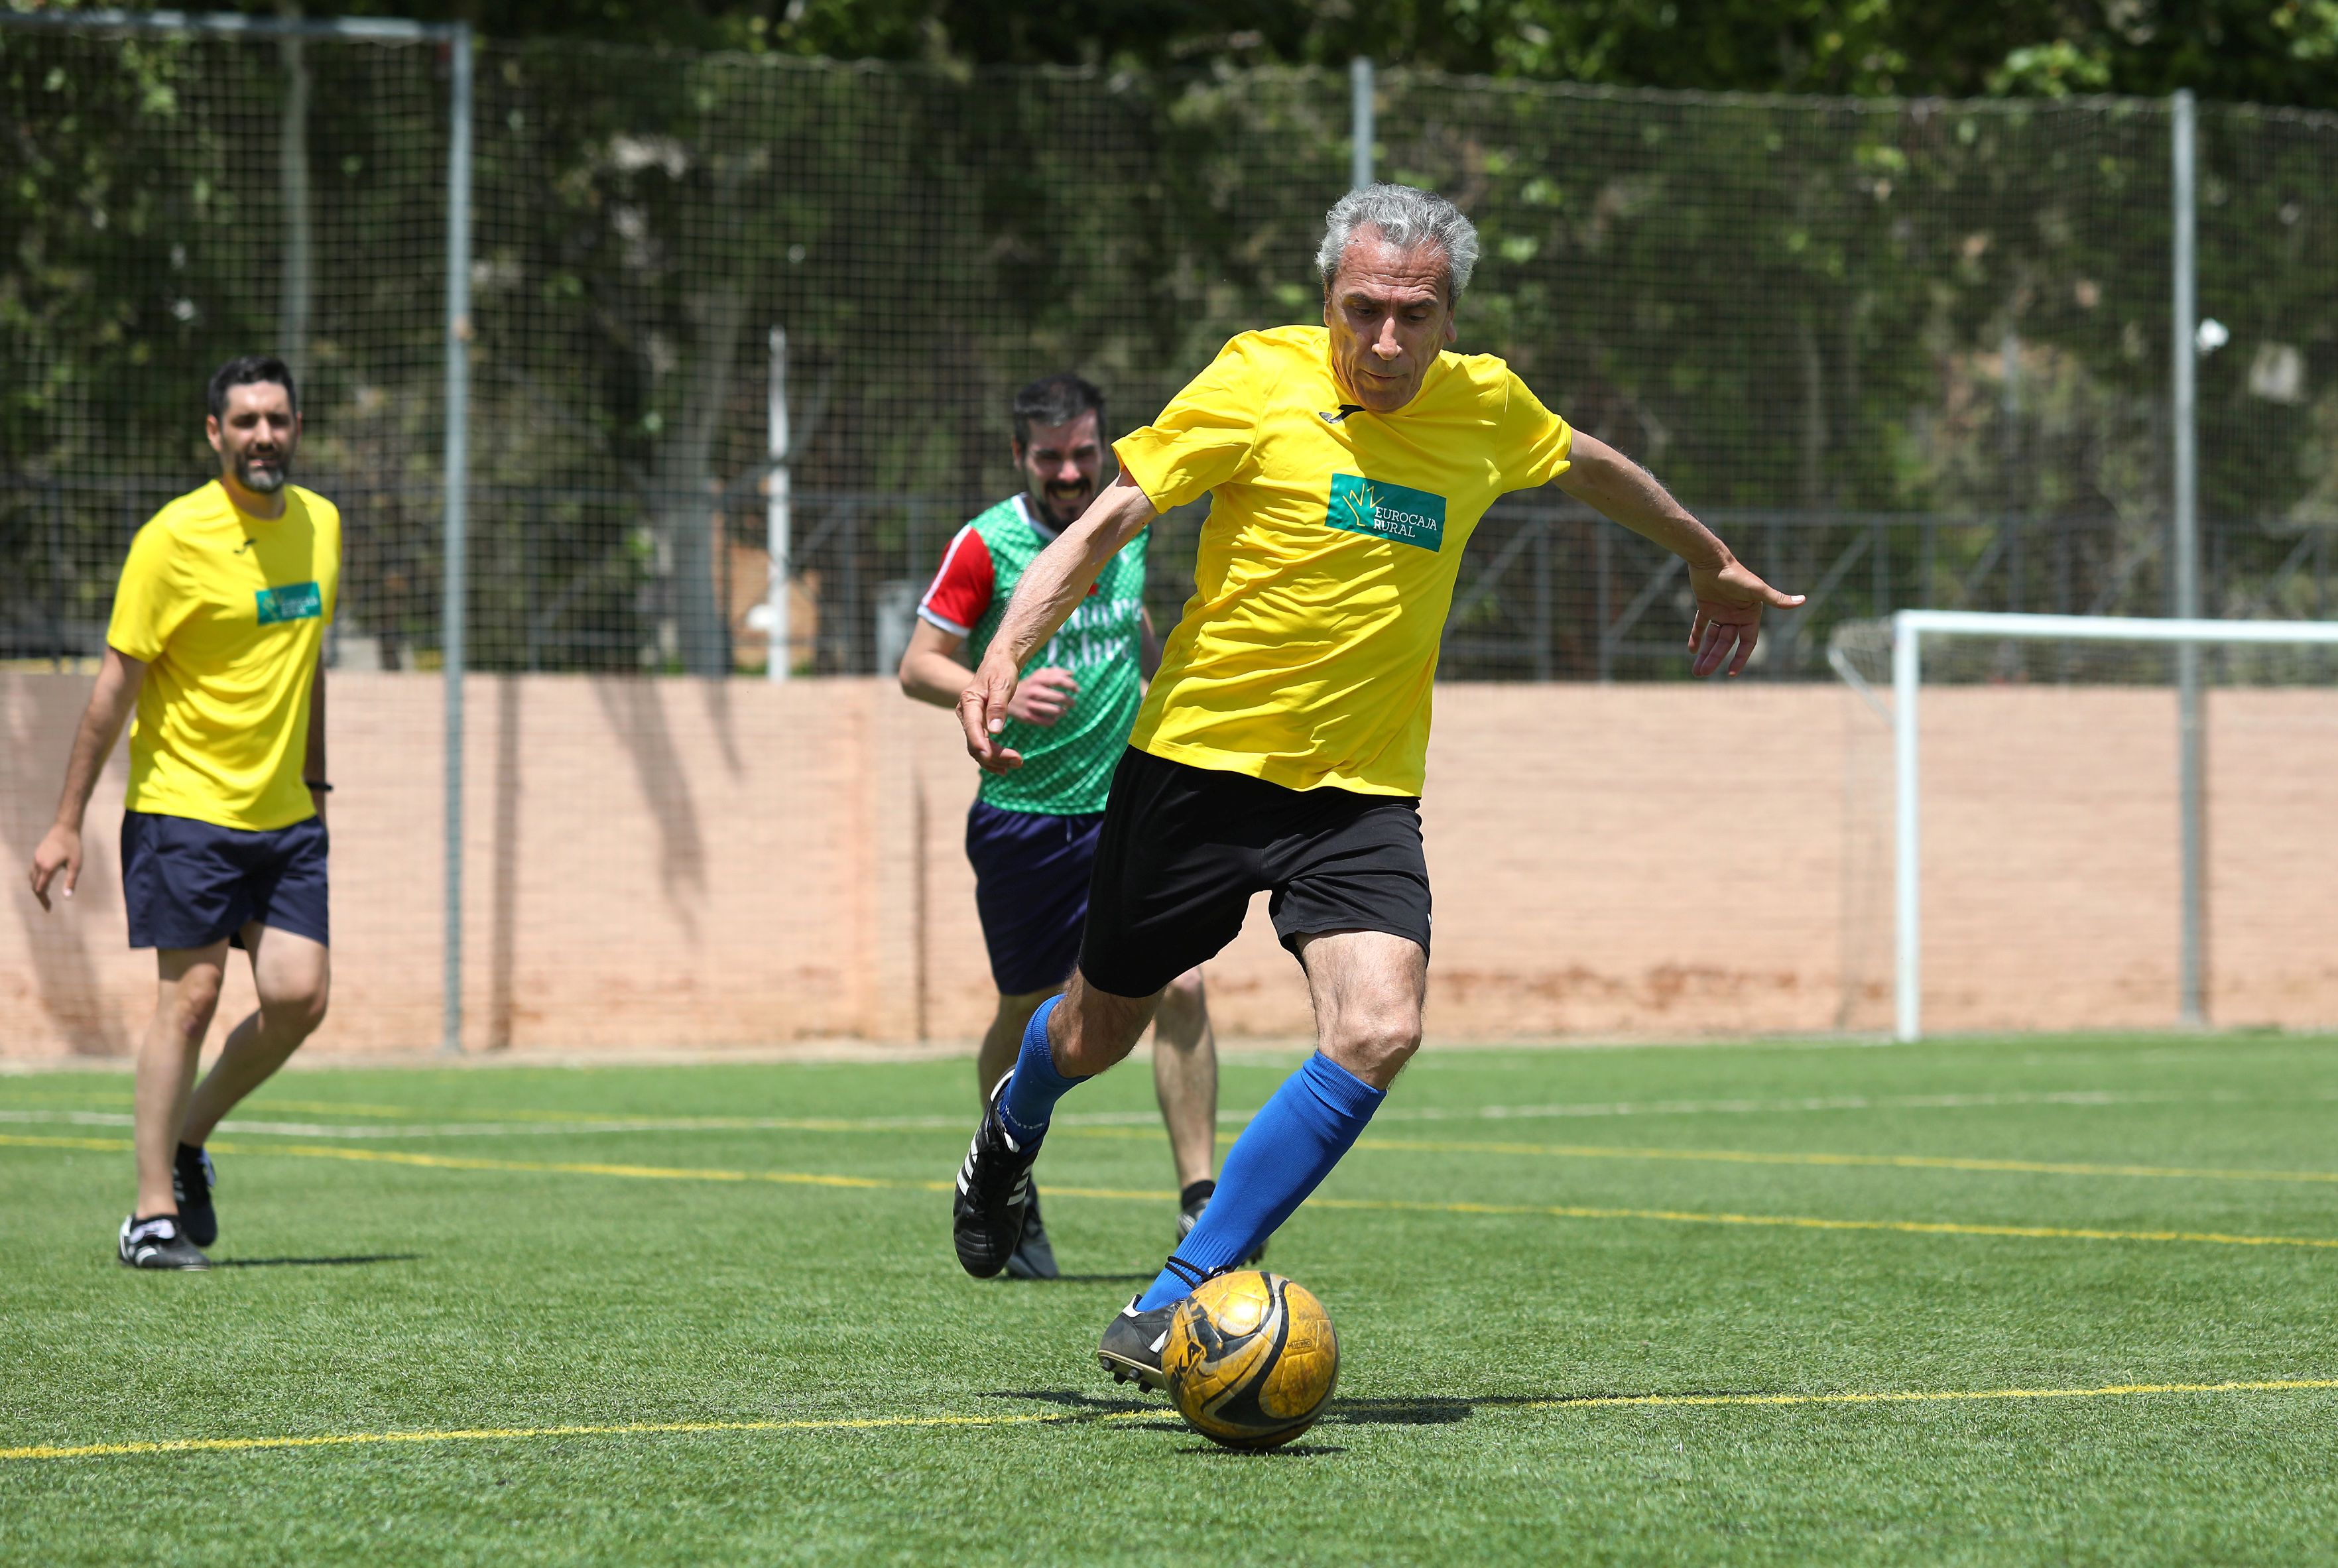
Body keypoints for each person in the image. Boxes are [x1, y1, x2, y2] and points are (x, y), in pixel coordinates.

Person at [944, 186, 1802, 1383]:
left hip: (1357, 793)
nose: (1389, 342)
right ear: (1326, 301)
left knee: (1381, 1024)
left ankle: (1176, 1291)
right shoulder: (1254, 379)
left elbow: (1593, 466)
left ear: (1450, 315)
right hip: (1196, 766)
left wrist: (1708, 561)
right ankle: (1012, 1126)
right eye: (1365, 311)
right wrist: (1009, 642)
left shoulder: (1483, 405)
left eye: (1417, 314)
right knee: (1094, 1029)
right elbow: (1111, 516)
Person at [900, 373, 1235, 1278]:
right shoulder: (986, 545)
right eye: (1051, 457)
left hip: (1127, 808)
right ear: (1021, 457)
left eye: (1085, 453)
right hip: (1022, 819)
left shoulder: (1129, 521)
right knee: (1027, 1009)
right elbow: (917, 665)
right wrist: (989, 685)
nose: (1070, 471)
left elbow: (1137, 627)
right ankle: (1007, 1186)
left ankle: (1201, 1203)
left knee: (1186, 988)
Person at [27, 355, 339, 1272]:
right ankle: (149, 1216)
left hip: (286, 819)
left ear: (295, 426)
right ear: (215, 434)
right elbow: (115, 685)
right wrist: (64, 820)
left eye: (277, 419)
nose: (263, 436)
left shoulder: (322, 526)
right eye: (244, 421)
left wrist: (317, 793)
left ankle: (189, 1138)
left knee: (298, 997)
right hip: (184, 809)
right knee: (194, 995)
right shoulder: (173, 539)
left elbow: (308, 662)